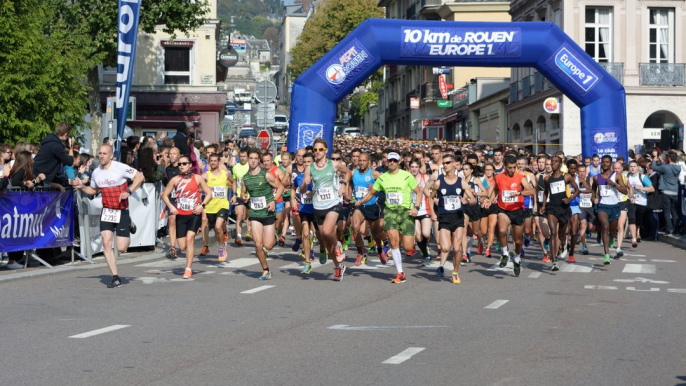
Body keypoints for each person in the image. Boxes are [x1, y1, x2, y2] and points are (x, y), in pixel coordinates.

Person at [73, 144, 145, 288]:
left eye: (105, 153)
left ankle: (129, 222)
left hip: (121, 210)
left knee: (122, 248)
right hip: (107, 211)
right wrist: (82, 187)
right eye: (99, 153)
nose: (101, 156)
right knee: (106, 243)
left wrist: (129, 191)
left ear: (111, 155)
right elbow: (93, 190)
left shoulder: (120, 167)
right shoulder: (96, 172)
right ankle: (115, 277)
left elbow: (140, 177)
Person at [357, 151, 421, 283]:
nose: (392, 162)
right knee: (393, 243)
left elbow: (418, 193)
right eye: (390, 160)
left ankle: (404, 238)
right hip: (390, 211)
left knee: (408, 247)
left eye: (394, 160)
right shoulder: (382, 177)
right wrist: (361, 201)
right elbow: (372, 192)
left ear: (399, 162)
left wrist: (416, 207)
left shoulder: (407, 176)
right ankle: (400, 273)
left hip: (406, 212)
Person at [301, 138, 351, 281]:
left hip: (333, 203)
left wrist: (343, 184)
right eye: (315, 150)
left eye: (320, 150)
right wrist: (305, 184)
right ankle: (338, 267)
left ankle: (338, 245)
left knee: (328, 231)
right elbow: (303, 190)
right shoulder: (309, 168)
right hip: (318, 206)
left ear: (326, 151)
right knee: (326, 240)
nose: (317, 152)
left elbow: (347, 172)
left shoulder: (333, 164)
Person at [162, 155, 212, 279]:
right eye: (180, 164)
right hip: (181, 215)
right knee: (182, 246)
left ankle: (188, 269)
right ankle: (187, 262)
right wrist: (171, 207)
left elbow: (209, 193)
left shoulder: (198, 178)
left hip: (194, 214)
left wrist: (202, 205)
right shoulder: (175, 180)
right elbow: (164, 195)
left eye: (184, 163)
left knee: (190, 239)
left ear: (190, 165)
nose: (182, 166)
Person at [240, 148, 284, 280]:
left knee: (268, 245)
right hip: (254, 214)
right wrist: (244, 197)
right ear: (247, 159)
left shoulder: (266, 175)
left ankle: (274, 238)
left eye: (255, 158)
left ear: (258, 160)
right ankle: (265, 270)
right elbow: (243, 192)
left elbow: (280, 187)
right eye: (251, 158)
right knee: (258, 244)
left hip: (268, 213)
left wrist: (274, 201)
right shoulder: (245, 178)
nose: (253, 161)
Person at [490, 155, 535, 277]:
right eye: (510, 168)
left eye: (514, 167)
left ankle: (516, 258)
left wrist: (519, 192)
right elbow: (495, 190)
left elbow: (531, 191)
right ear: (505, 166)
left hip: (517, 210)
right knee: (502, 230)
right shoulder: (498, 177)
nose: (512, 170)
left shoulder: (521, 177)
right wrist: (489, 200)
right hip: (503, 209)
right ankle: (505, 253)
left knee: (518, 241)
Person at [540, 156, 579, 270]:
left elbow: (577, 190)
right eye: (552, 162)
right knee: (553, 232)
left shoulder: (566, 176)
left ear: (561, 164)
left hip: (564, 207)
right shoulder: (547, 178)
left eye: (556, 162)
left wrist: (570, 199)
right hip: (552, 207)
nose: (553, 164)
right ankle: (554, 261)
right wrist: (543, 205)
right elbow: (546, 192)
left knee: (562, 233)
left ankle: (563, 242)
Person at [592, 155, 629, 264]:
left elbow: (625, 191)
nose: (604, 164)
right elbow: (594, 188)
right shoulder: (596, 177)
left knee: (613, 230)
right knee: (605, 226)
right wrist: (593, 197)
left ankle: (612, 238)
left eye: (607, 162)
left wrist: (614, 184)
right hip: (602, 206)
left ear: (610, 163)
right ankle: (606, 255)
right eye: (603, 162)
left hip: (614, 206)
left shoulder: (616, 176)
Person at [350, 151, 384, 266]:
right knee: (355, 227)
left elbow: (386, 185)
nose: (362, 163)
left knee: (376, 234)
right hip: (359, 206)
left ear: (369, 162)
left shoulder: (374, 174)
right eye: (360, 160)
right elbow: (349, 183)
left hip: (372, 206)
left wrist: (375, 189)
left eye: (364, 160)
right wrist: (347, 194)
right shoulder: (353, 172)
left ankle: (380, 249)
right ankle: (361, 253)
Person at [203, 153, 233, 262]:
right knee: (216, 231)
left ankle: (221, 248)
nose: (213, 162)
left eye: (215, 160)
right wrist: (207, 188)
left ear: (219, 162)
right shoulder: (205, 175)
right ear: (209, 162)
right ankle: (222, 242)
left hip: (223, 204)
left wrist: (234, 195)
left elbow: (233, 182)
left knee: (218, 227)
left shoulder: (225, 173)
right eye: (211, 161)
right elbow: (198, 188)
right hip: (210, 207)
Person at [651, 152, 681, 235]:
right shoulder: (678, 168)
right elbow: (667, 168)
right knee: (674, 211)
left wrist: (654, 159)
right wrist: (663, 162)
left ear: (669, 159)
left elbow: (654, 167)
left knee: (667, 211)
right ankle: (676, 228)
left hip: (666, 191)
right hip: (675, 191)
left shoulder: (665, 167)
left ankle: (669, 228)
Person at [626, 160, 654, 247]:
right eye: (631, 166)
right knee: (631, 217)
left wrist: (641, 188)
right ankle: (634, 239)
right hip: (630, 200)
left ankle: (637, 231)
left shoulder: (642, 177)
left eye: (634, 166)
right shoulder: (626, 177)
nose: (632, 168)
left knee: (638, 220)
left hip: (641, 201)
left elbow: (652, 189)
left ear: (637, 167)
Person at [231, 148, 252, 246]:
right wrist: (234, 194)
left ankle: (248, 232)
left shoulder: (251, 166)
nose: (243, 158)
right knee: (239, 215)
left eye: (244, 156)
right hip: (239, 195)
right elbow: (234, 181)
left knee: (248, 216)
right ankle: (238, 236)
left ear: (248, 157)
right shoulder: (235, 167)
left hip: (250, 195)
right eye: (241, 156)